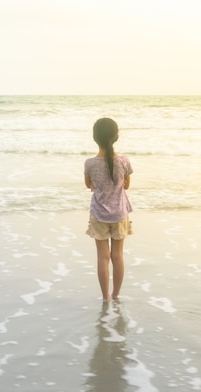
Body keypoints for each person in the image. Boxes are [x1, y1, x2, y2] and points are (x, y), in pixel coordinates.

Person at [84, 118, 133, 302]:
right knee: (117, 256)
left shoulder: (89, 163)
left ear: (94, 137)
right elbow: (126, 186)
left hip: (98, 214)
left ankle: (105, 298)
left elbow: (89, 184)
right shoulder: (124, 161)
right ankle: (116, 294)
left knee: (102, 257)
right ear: (116, 136)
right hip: (119, 213)